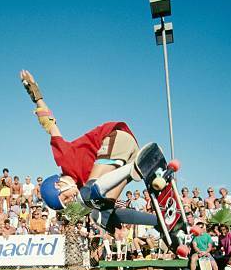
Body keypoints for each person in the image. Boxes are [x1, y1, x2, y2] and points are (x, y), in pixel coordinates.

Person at [19, 69, 177, 240]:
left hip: (115, 138)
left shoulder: (64, 158)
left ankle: (134, 167)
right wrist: (113, 227)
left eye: (65, 197)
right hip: (128, 155)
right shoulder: (80, 186)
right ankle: (160, 222)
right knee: (101, 210)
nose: (70, 199)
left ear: (59, 185)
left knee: (88, 194)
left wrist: (34, 93)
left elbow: (50, 125)